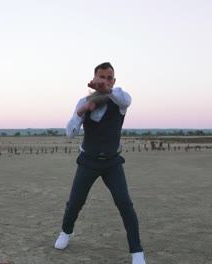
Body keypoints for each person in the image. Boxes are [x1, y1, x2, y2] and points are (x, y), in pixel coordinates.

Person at [54, 62, 146, 264]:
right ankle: (66, 232)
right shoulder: (84, 101)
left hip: (112, 162)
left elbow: (127, 100)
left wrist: (108, 90)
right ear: (94, 79)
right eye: (101, 77)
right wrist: (82, 110)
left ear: (114, 80)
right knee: (75, 202)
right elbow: (70, 133)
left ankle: (137, 251)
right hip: (88, 161)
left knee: (125, 204)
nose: (105, 81)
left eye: (109, 77)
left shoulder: (119, 99)